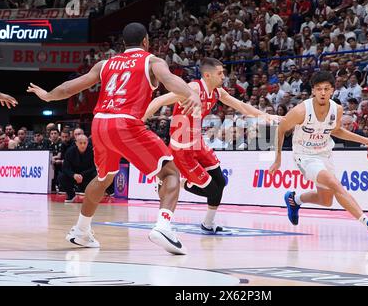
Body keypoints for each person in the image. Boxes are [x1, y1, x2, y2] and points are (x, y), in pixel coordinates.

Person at [27, 22, 201, 255]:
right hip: (125, 123)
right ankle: (164, 226)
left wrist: (47, 96)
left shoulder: (105, 63)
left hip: (99, 124)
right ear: (146, 41)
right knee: (170, 173)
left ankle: (81, 231)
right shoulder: (152, 61)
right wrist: (191, 94)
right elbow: (170, 80)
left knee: (103, 178)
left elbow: (70, 88)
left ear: (123, 43)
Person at [143, 57, 280, 234]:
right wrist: (139, 120)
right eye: (220, 73)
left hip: (198, 143)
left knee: (221, 182)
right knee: (212, 191)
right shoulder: (192, 89)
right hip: (182, 149)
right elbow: (159, 101)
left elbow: (240, 105)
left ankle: (208, 224)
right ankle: (177, 182)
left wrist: (267, 116)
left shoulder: (217, 92)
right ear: (207, 75)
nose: (224, 76)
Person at [269, 71, 368, 240]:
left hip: (325, 153)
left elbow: (336, 130)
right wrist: (278, 158)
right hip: (305, 155)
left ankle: (294, 199)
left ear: (333, 90)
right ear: (313, 91)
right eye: (319, 89)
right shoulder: (301, 111)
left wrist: (365, 140)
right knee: (335, 184)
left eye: (326, 89)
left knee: (326, 200)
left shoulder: (337, 109)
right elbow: (280, 129)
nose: (323, 93)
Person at [58, 135, 96, 202]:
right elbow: (65, 168)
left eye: (84, 143)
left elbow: (94, 167)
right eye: (80, 143)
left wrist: (82, 175)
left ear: (87, 142)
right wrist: (74, 175)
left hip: (86, 176)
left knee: (96, 175)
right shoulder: (70, 151)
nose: (83, 145)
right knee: (61, 176)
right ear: (76, 143)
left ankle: (91, 195)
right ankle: (71, 195)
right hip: (74, 176)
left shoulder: (92, 151)